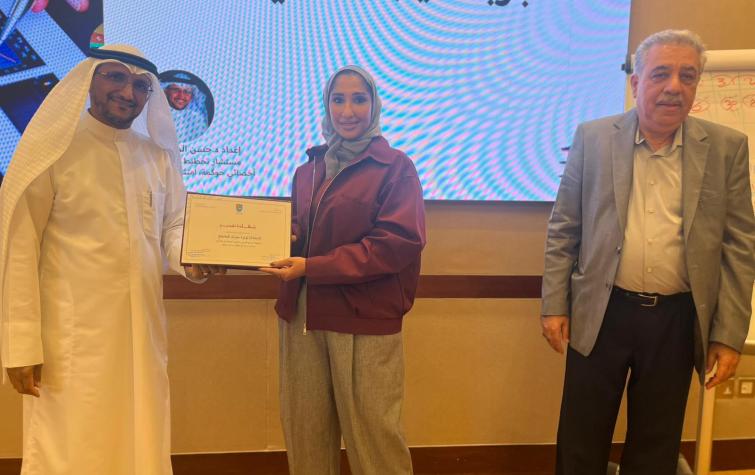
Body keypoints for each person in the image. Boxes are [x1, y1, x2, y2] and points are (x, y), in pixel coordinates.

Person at [540, 29, 755, 475]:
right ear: (637, 82)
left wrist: (727, 334)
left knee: (657, 446)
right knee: (581, 436)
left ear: (696, 85)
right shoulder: (594, 139)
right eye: (661, 74)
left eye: (687, 76)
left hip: (676, 320)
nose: (674, 86)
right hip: (601, 312)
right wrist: (554, 304)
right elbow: (565, 228)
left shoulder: (726, 149)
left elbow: (739, 246)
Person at [0, 44, 219, 475]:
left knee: (140, 440)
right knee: (72, 447)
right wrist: (20, 345)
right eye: (115, 77)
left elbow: (174, 228)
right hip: (71, 342)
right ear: (90, 80)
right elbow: (19, 249)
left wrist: (194, 260)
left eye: (140, 85)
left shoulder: (156, 155)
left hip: (141, 337)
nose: (127, 92)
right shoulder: (53, 150)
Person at [261, 65, 426, 475]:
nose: (347, 111)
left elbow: (395, 245)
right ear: (326, 105)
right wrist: (266, 241)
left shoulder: (396, 167)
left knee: (375, 439)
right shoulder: (308, 171)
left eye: (358, 99)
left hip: (362, 320)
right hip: (302, 318)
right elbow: (301, 232)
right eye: (338, 100)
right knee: (306, 435)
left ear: (374, 105)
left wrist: (312, 266)